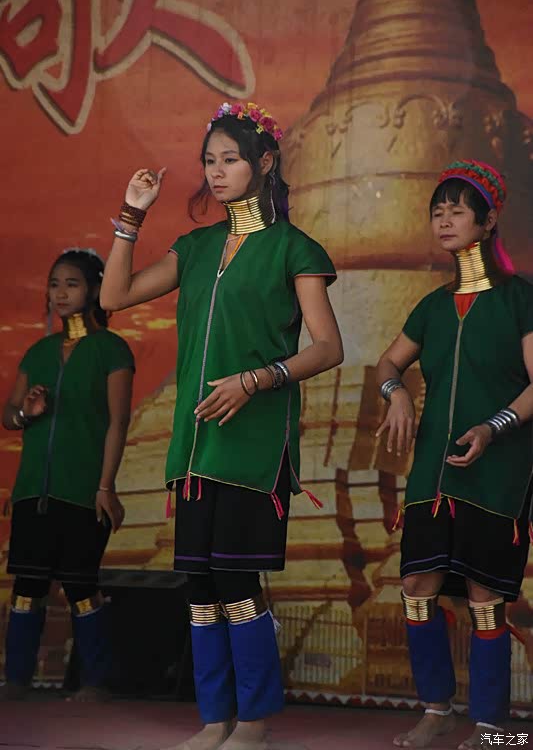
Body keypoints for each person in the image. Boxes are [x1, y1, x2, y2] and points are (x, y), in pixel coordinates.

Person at [100, 101, 343, 750]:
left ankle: (253, 722)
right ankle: (214, 720)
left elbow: (328, 348)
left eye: (230, 159)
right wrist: (131, 215)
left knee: (238, 583)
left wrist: (255, 380)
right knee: (200, 588)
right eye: (209, 160)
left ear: (264, 163)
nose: (216, 171)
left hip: (253, 445)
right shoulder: (196, 247)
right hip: (194, 444)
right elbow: (113, 297)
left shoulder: (293, 248)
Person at [375, 160, 533, 750]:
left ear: (488, 222)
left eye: (457, 211)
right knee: (418, 586)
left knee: (485, 597)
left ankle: (491, 728)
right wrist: (395, 394)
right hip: (432, 472)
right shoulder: (433, 306)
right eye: (437, 211)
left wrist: (493, 427)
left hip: (497, 472)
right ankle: (436, 710)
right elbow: (389, 362)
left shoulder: (520, 299)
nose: (444, 220)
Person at [2, 248, 134, 701]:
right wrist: (27, 412)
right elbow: (9, 415)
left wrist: (106, 486)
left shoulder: (112, 349)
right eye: (54, 284)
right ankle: (16, 681)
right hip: (32, 492)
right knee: (27, 587)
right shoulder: (38, 352)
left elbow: (118, 422)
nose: (60, 293)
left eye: (71, 284)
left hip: (83, 491)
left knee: (81, 585)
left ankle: (96, 683)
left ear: (95, 290)